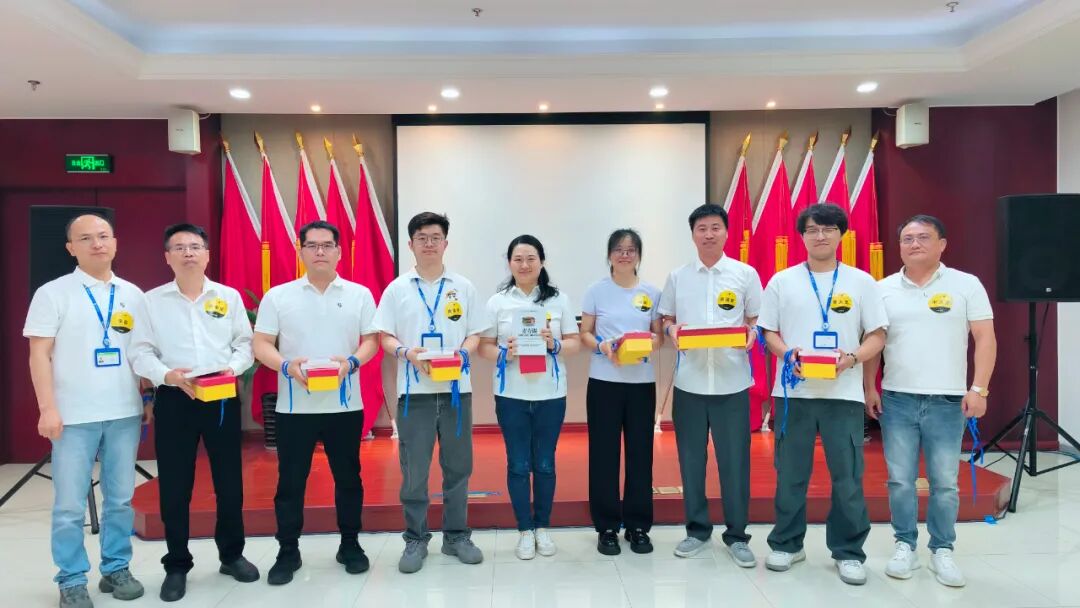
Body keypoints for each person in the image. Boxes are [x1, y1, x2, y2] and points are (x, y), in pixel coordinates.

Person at [24, 213, 151, 608]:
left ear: (115, 242)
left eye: (103, 236)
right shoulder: (52, 293)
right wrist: (47, 408)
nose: (97, 244)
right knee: (68, 506)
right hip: (72, 417)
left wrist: (146, 398)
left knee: (121, 499)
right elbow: (39, 354)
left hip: (124, 413)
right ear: (70, 248)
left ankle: (116, 567)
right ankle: (72, 579)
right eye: (85, 238)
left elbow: (141, 353)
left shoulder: (133, 294)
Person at [758, 203, 887, 585]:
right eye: (812, 229)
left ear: (841, 234)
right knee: (790, 474)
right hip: (793, 394)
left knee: (847, 477)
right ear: (802, 236)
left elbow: (877, 334)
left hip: (842, 395)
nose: (820, 235)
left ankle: (849, 552)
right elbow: (768, 332)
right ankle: (787, 544)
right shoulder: (782, 281)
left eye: (828, 229)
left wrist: (852, 359)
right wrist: (788, 353)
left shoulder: (862, 282)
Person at [129, 223, 259, 601]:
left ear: (207, 254)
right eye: (180, 247)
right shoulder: (150, 301)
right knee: (175, 484)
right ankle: (177, 564)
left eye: (195, 246)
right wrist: (166, 375)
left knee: (229, 481)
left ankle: (231, 555)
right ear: (167, 257)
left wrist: (231, 369)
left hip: (220, 396)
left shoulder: (228, 297)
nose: (188, 253)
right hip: (175, 396)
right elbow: (140, 352)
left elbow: (244, 344)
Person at [865, 214, 996, 587]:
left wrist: (979, 389)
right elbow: (874, 342)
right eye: (907, 239)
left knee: (945, 482)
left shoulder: (966, 285)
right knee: (900, 480)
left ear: (942, 244)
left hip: (947, 400)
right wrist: (869, 387)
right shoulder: (882, 289)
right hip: (897, 399)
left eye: (923, 237)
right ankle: (904, 545)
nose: (915, 244)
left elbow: (985, 338)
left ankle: (942, 549)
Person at [252, 220, 379, 585]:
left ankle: (350, 544)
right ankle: (287, 550)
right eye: (312, 245)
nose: (320, 251)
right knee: (290, 481)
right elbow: (261, 344)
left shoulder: (359, 294)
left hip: (344, 405)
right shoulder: (279, 296)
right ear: (301, 250)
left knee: (348, 478)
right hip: (295, 407)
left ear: (339, 251)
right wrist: (285, 366)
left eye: (327, 245)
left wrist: (351, 362)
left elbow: (371, 341)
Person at [373, 212, 489, 573]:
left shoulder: (463, 287)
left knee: (459, 468)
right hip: (414, 394)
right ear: (410, 244)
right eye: (421, 237)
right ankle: (416, 538)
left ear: (445, 243)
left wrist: (464, 353)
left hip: (456, 393)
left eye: (435, 237)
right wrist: (406, 352)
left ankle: (456, 536)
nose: (429, 243)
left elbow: (475, 333)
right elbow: (384, 336)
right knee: (414, 471)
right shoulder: (397, 289)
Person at [658, 204, 762, 567]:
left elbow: (757, 319)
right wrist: (671, 330)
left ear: (726, 232)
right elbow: (666, 318)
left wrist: (752, 334)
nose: (708, 234)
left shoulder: (745, 274)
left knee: (735, 463)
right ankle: (697, 530)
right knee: (691, 462)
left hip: (732, 382)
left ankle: (737, 535)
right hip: (690, 382)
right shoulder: (678, 277)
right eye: (701, 228)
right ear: (693, 234)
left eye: (715, 227)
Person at [478, 235, 581, 560]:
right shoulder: (497, 302)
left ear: (541, 262)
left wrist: (555, 345)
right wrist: (503, 353)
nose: (524, 265)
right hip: (511, 394)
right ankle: (524, 530)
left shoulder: (558, 300)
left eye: (531, 258)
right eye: (518, 259)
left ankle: (542, 528)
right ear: (509, 263)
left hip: (550, 393)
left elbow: (575, 342)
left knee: (546, 463)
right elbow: (483, 347)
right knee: (518, 464)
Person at [579, 228, 662, 555]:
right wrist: (602, 345)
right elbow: (585, 333)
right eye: (618, 249)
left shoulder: (652, 292)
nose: (624, 255)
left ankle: (638, 525)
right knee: (604, 455)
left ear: (638, 255)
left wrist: (650, 342)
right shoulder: (596, 291)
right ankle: (607, 527)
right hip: (604, 382)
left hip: (641, 384)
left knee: (641, 454)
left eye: (631, 250)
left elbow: (659, 337)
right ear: (609, 255)